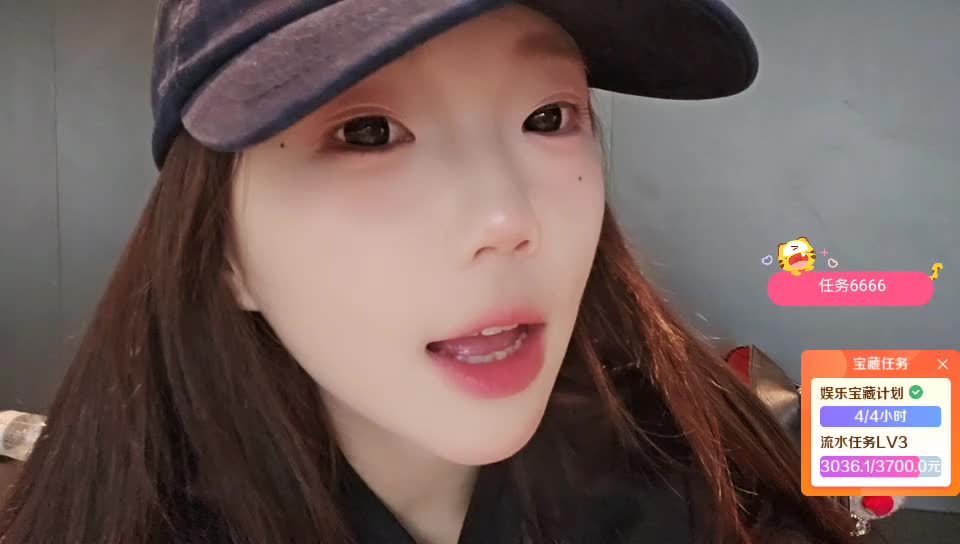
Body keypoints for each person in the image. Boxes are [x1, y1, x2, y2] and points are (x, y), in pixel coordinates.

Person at [0, 1, 859, 542]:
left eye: (548, 116)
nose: (508, 221)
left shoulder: (709, 476)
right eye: (368, 133)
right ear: (223, 252)